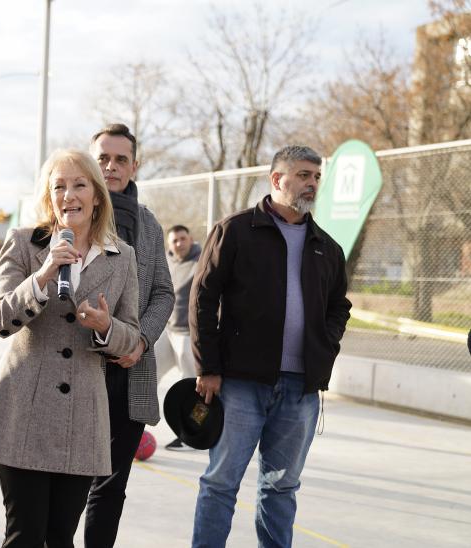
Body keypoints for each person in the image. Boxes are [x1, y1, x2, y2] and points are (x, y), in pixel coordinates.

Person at [0, 149, 141, 548]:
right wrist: (45, 273)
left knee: (60, 539)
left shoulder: (122, 257)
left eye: (79, 184)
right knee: (25, 536)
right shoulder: (23, 244)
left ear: (97, 195)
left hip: (84, 419)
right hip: (22, 412)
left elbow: (132, 337)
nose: (69, 195)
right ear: (49, 197)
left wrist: (106, 327)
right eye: (59, 186)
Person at [189, 145, 352, 548]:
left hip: (301, 390)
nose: (312, 182)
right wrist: (208, 367)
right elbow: (203, 298)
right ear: (277, 180)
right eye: (303, 174)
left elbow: (339, 307)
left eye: (316, 175)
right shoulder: (236, 230)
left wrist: (324, 350)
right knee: (221, 482)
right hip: (241, 383)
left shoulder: (327, 247)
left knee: (282, 488)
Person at [85, 123, 174, 547]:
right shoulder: (71, 214)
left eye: (121, 159)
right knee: (67, 483)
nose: (111, 166)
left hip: (131, 372)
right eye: (102, 158)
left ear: (134, 166)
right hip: (77, 370)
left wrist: (140, 342)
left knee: (111, 488)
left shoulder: (150, 225)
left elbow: (163, 292)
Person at [154, 224, 201, 451]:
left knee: (191, 385)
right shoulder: (166, 261)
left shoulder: (202, 260)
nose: (179, 243)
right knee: (147, 372)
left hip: (189, 334)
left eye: (183, 238)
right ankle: (133, 426)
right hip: (167, 330)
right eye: (175, 240)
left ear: (190, 238)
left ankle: (189, 432)